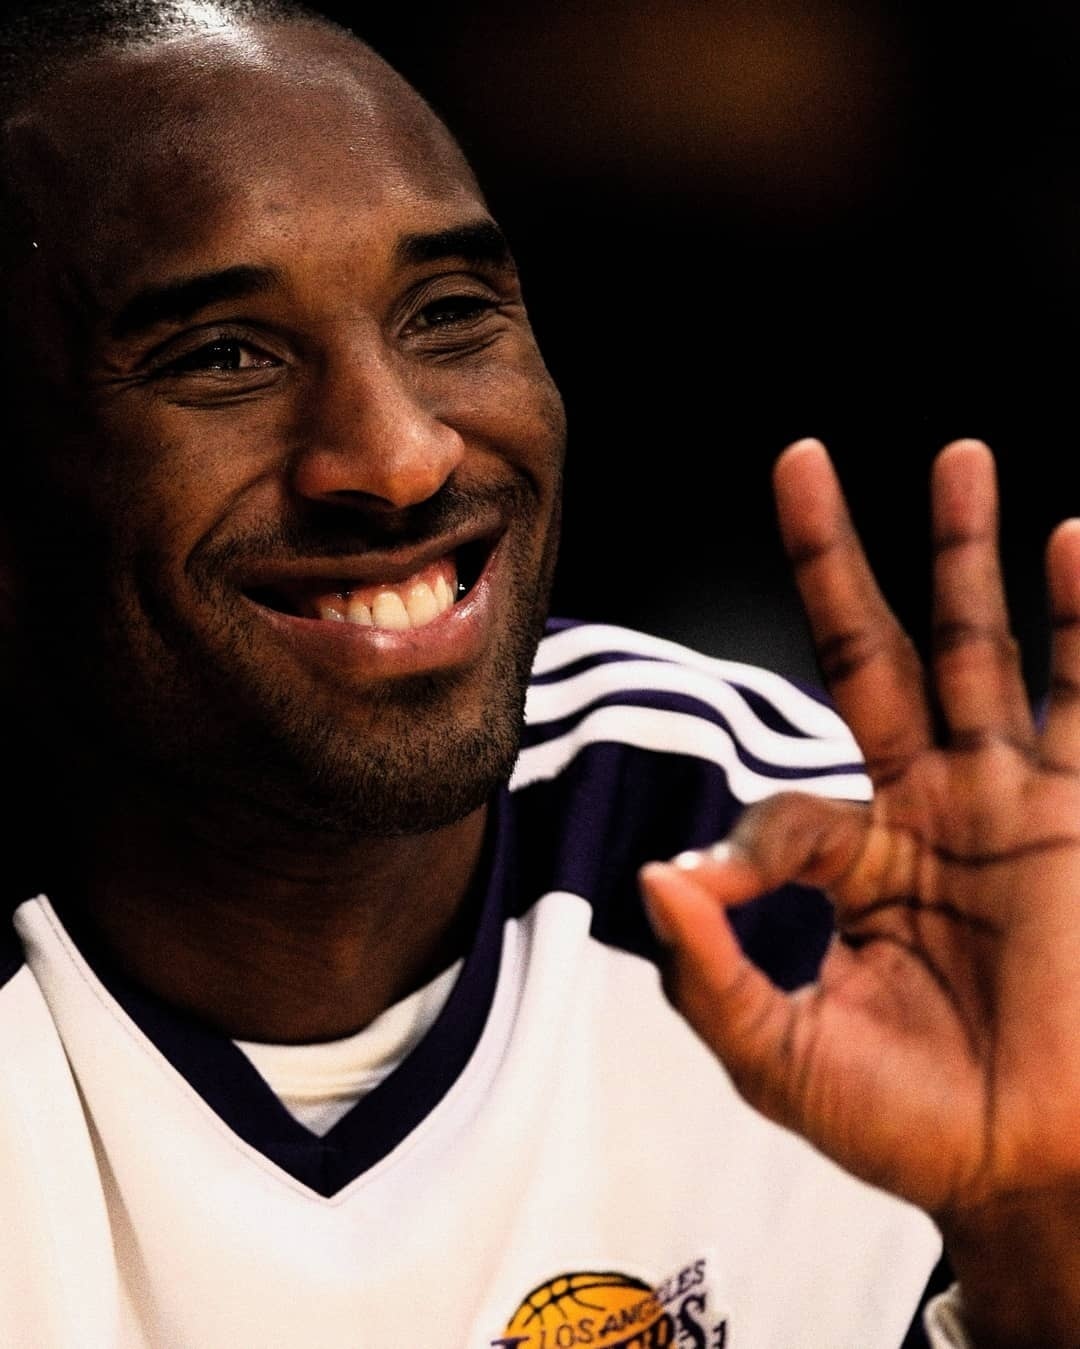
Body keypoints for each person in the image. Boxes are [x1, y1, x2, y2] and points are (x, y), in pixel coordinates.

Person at [0, 2, 1075, 1346]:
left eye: (449, 313)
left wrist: (1036, 1224)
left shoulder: (835, 880)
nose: (401, 456)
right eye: (224, 356)